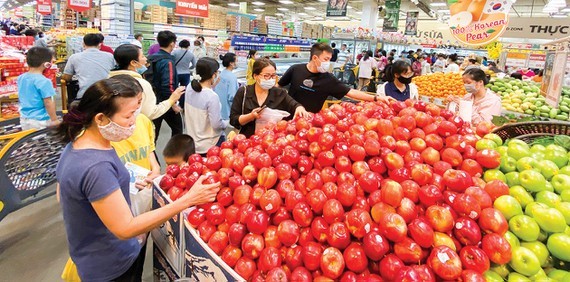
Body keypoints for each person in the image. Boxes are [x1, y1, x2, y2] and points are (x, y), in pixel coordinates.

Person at [55, 78, 220, 281]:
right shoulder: (96, 167)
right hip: (110, 265)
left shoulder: (79, 145)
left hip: (98, 253)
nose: (135, 120)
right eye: (128, 115)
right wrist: (187, 200)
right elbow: (125, 228)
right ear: (100, 119)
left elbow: (63, 196)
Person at [278, 43, 384, 113]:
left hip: (311, 122)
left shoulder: (328, 79)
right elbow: (278, 86)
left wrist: (375, 98)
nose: (328, 63)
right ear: (315, 58)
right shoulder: (295, 69)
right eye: (326, 59)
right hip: (288, 118)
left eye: (329, 59)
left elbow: (350, 92)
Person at [231, 58, 309, 138]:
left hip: (271, 142)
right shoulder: (243, 92)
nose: (271, 79)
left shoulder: (280, 93)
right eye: (266, 76)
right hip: (246, 141)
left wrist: (299, 108)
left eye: (273, 75)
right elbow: (233, 120)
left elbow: (294, 104)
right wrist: (251, 116)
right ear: (255, 76)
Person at [109, 44, 184, 120]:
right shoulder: (140, 84)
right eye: (142, 56)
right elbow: (150, 113)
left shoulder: (110, 79)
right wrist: (171, 100)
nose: (146, 59)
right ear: (133, 63)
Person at [184, 57, 227, 155]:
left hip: (193, 143)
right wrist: (225, 123)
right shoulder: (212, 97)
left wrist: (212, 85)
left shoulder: (190, 87)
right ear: (213, 75)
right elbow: (216, 125)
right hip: (210, 144)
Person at [148, 30, 183, 139]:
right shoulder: (168, 61)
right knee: (178, 129)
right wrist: (173, 104)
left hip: (153, 100)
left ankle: (151, 155)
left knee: (153, 135)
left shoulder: (151, 58)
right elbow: (169, 84)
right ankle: (174, 154)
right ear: (172, 44)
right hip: (166, 102)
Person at [62, 33, 115, 101]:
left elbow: (67, 77)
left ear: (83, 44)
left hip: (84, 95)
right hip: (107, 95)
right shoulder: (110, 56)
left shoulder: (74, 57)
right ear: (99, 44)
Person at [18, 47, 59, 130]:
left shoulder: (21, 77)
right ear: (46, 64)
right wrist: (54, 119)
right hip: (40, 120)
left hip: (24, 117)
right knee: (43, 141)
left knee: (28, 141)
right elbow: (48, 102)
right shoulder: (44, 81)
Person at [214, 53, 239, 124]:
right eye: (236, 60)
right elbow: (232, 96)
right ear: (231, 63)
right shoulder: (232, 77)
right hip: (227, 112)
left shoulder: (221, 74)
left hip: (218, 109)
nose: (238, 62)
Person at [172, 39, 197, 105]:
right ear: (188, 46)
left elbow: (171, 62)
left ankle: (173, 103)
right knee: (184, 90)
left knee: (174, 88)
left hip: (176, 73)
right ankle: (182, 104)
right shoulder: (191, 54)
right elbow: (194, 65)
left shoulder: (175, 52)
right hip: (186, 73)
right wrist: (188, 68)